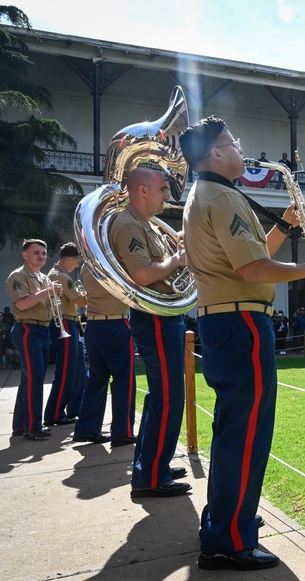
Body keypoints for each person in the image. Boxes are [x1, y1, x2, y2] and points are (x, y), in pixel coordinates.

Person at [180, 115, 305, 571]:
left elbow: (250, 257)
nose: (240, 147)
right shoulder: (223, 197)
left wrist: (284, 227)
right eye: (232, 141)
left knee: (233, 430)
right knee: (247, 434)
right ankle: (229, 538)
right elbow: (252, 271)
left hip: (227, 322)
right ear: (214, 154)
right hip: (242, 323)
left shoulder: (208, 194)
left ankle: (225, 521)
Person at [110, 163, 190, 498]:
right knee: (169, 395)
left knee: (163, 394)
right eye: (162, 189)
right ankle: (150, 476)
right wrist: (178, 260)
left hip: (165, 315)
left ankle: (153, 463)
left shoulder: (147, 224)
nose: (167, 196)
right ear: (142, 190)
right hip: (155, 317)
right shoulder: (128, 223)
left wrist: (177, 249)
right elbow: (143, 274)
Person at [5, 239, 65, 440]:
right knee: (35, 377)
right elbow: (22, 304)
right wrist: (48, 291)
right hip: (27, 329)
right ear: (25, 255)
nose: (41, 256)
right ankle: (33, 426)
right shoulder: (18, 276)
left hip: (42, 329)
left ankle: (21, 425)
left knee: (28, 378)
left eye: (44, 253)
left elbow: (49, 305)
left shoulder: (44, 278)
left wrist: (55, 295)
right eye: (36, 253)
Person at [71, 268, 137, 446]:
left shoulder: (87, 266)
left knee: (97, 378)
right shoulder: (113, 264)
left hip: (93, 324)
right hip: (115, 323)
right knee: (124, 379)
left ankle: (87, 428)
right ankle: (123, 431)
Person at [43, 243, 88, 427]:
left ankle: (73, 410)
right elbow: (81, 300)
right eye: (76, 262)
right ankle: (54, 413)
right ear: (69, 259)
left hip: (70, 323)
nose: (77, 265)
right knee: (67, 371)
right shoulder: (60, 276)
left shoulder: (59, 275)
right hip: (65, 323)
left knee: (79, 372)